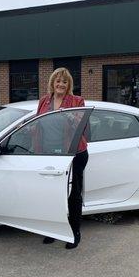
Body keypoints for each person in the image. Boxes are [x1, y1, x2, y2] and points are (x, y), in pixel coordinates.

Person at [36, 67, 89, 249]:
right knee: (51, 193)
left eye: (64, 82)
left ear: (69, 85)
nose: (61, 84)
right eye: (58, 81)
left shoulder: (77, 101)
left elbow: (83, 126)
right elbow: (37, 124)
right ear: (52, 82)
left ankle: (74, 232)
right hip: (49, 154)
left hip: (74, 154)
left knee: (73, 194)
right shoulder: (44, 101)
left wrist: (73, 117)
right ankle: (54, 231)